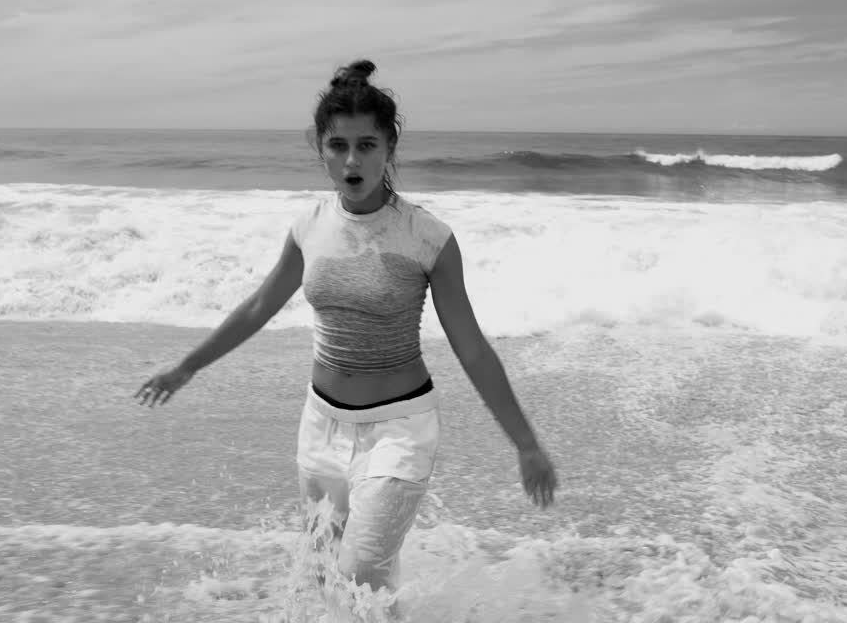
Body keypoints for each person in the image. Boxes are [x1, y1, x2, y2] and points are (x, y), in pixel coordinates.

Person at [135, 59, 557, 604]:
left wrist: (526, 443)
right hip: (321, 428)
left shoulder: (427, 237)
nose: (352, 160)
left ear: (390, 148)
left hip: (400, 430)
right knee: (324, 578)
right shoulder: (310, 226)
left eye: (367, 145)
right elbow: (260, 305)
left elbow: (471, 347)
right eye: (338, 145)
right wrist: (186, 366)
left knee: (364, 574)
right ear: (320, 148)